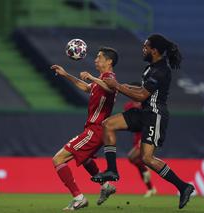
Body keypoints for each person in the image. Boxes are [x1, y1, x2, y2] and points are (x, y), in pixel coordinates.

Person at [91, 34, 195, 209]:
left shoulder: (160, 70)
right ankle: (112, 170)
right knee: (108, 124)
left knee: (147, 158)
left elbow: (141, 95)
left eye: (146, 47)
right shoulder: (150, 68)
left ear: (154, 50)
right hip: (144, 112)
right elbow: (140, 88)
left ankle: (184, 186)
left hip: (155, 115)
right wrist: (119, 84)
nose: (143, 49)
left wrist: (116, 86)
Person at [51, 47, 118, 210]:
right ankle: (106, 186)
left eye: (99, 57)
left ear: (109, 61)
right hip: (94, 129)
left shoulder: (109, 78)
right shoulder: (101, 80)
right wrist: (66, 74)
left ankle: (79, 198)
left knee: (58, 159)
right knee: (85, 158)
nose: (95, 60)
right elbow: (86, 87)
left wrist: (92, 77)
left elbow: (111, 88)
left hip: (96, 129)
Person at [124, 99, 156, 197]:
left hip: (146, 136)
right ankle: (150, 188)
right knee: (138, 163)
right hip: (137, 136)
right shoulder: (129, 106)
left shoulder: (147, 106)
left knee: (131, 157)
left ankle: (146, 168)